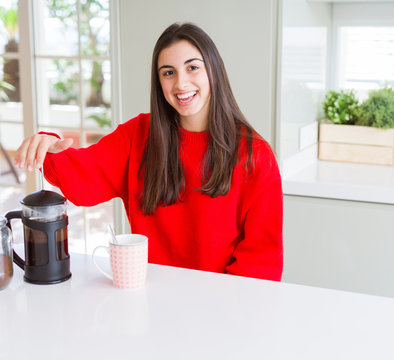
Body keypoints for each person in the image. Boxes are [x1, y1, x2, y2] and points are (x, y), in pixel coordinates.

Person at [14, 23, 283, 281]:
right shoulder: (137, 136)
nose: (181, 83)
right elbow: (83, 178)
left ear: (214, 70)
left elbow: (261, 261)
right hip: (148, 302)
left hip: (220, 310)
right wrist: (48, 145)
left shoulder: (255, 154)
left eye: (192, 68)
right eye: (168, 72)